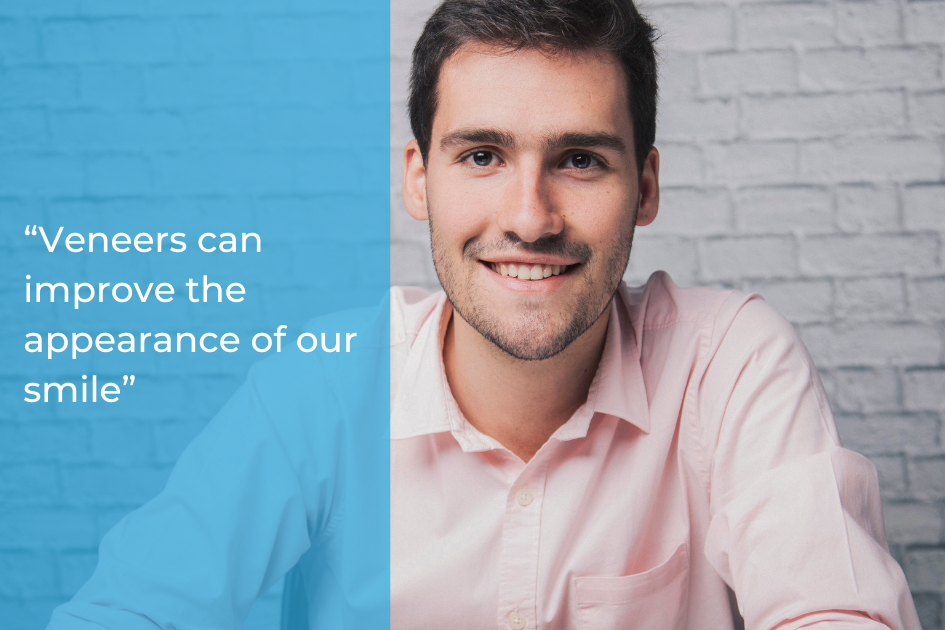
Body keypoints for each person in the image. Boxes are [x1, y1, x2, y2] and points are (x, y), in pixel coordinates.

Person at [47, 0, 920, 629]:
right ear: (417, 177)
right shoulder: (323, 388)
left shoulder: (727, 363)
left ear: (644, 186)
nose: (530, 217)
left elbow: (833, 611)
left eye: (578, 159)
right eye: (482, 155)